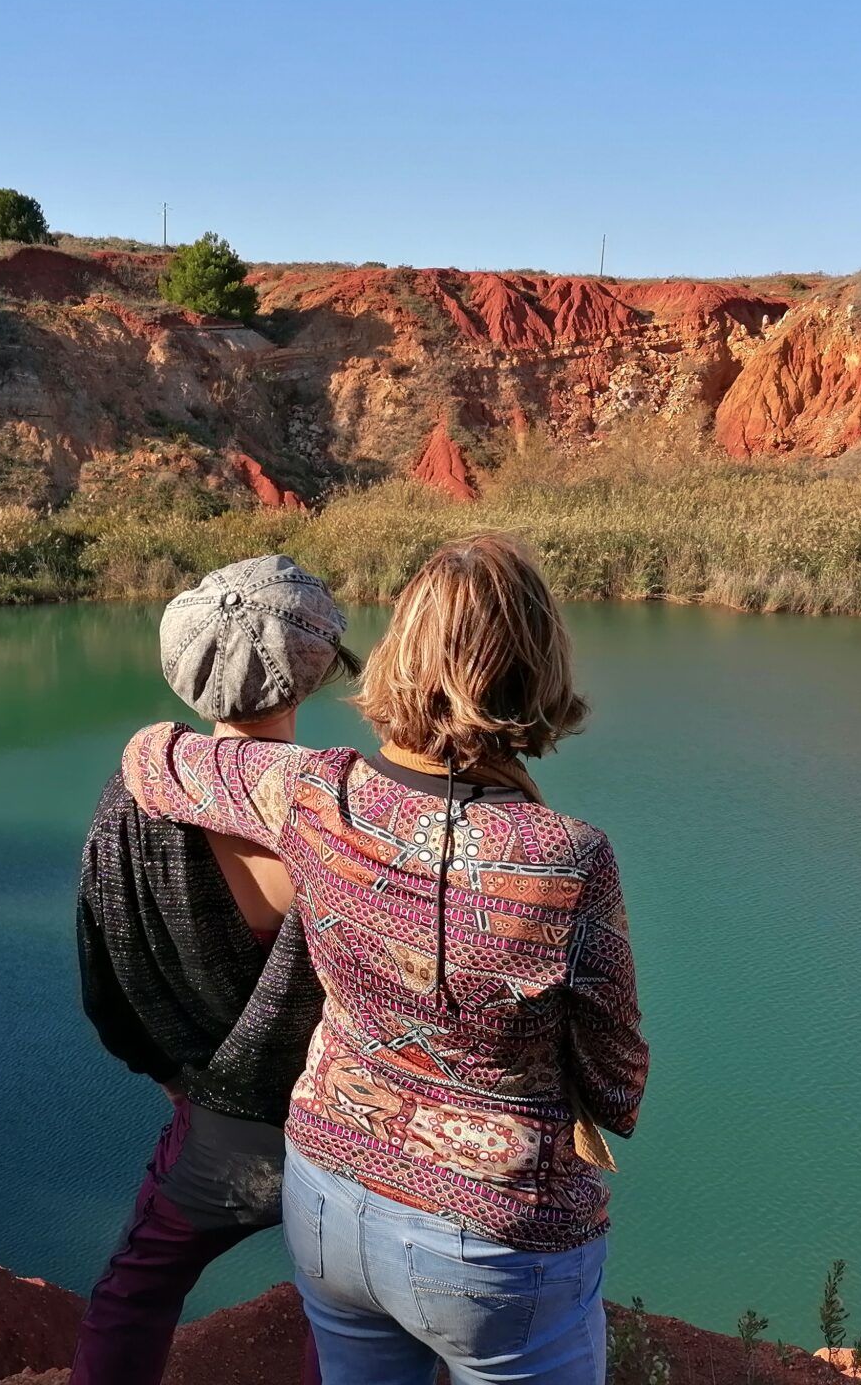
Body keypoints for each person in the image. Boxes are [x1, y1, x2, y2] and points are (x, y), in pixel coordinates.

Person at [120, 533, 649, 1385]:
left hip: (330, 1194)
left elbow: (152, 758)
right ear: (538, 669)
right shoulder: (569, 857)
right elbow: (617, 1087)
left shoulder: (313, 791)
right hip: (496, 1240)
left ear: (398, 658)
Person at [73, 554, 358, 1385]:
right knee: (342, 1312)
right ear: (310, 672)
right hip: (352, 1127)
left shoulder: (133, 801)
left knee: (139, 1286)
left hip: (219, 1123)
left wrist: (174, 1074)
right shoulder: (347, 811)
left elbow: (106, 973)